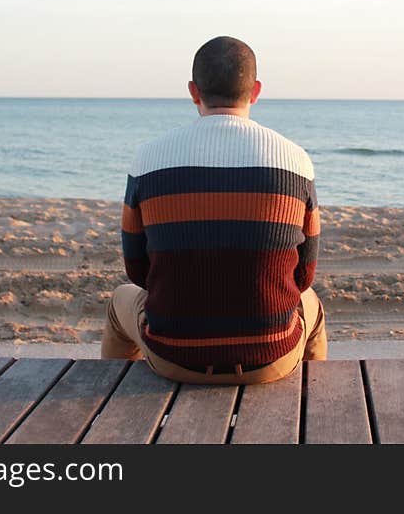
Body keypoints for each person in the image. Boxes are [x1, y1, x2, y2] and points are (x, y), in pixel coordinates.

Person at [101, 36, 327, 384]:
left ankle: (113, 395)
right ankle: (310, 399)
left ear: (194, 91)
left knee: (120, 301)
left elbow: (138, 271)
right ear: (255, 91)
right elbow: (303, 277)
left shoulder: (148, 158)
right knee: (312, 303)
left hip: (173, 355)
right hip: (270, 359)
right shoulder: (295, 160)